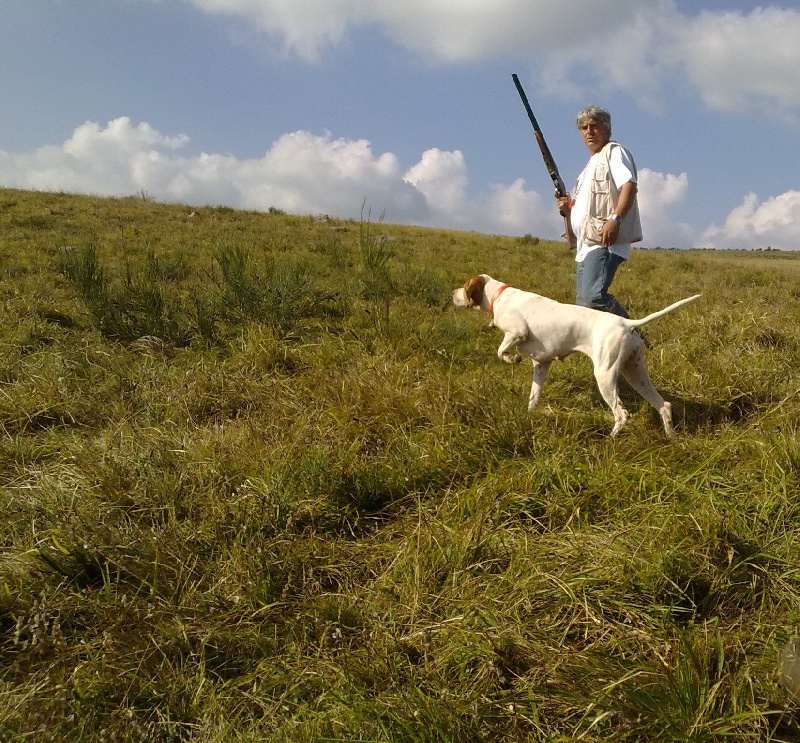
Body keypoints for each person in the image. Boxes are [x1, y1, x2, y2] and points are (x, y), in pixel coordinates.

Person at [557, 105, 642, 319]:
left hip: (604, 240)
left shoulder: (614, 152)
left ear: (606, 128)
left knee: (593, 298)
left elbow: (629, 185)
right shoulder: (588, 167)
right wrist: (568, 207)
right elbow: (584, 208)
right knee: (585, 306)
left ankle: (633, 334)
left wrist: (615, 219)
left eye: (594, 126)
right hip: (586, 244)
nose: (589, 131)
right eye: (584, 128)